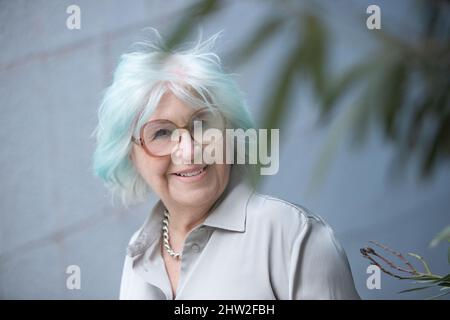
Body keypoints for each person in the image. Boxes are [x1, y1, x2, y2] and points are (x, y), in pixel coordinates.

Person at [92, 30, 360, 300]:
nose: (189, 150)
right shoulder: (139, 251)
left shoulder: (294, 237)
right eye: (161, 133)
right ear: (130, 155)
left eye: (202, 124)